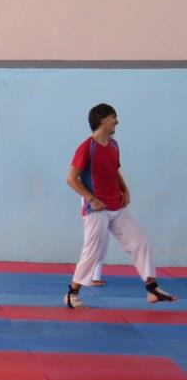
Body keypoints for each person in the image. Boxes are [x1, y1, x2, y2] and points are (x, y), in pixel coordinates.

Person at [64, 103, 176, 308]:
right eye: (113, 117)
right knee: (94, 251)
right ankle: (72, 294)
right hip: (96, 209)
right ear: (102, 120)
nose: (117, 121)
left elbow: (114, 171)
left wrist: (125, 189)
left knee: (141, 241)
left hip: (117, 205)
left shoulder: (114, 145)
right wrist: (91, 198)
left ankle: (152, 289)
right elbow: (71, 179)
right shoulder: (87, 147)